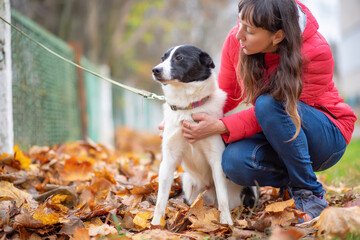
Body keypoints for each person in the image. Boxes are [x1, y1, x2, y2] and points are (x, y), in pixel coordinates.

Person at [173, 0, 357, 222]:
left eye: (249, 30)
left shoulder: (315, 50)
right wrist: (184, 117)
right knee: (233, 162)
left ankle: (310, 193)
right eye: (239, 22)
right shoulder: (237, 42)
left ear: (277, 36)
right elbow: (226, 95)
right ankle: (291, 184)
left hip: (325, 135)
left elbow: (280, 110)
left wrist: (221, 126)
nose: (238, 34)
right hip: (276, 130)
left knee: (268, 104)